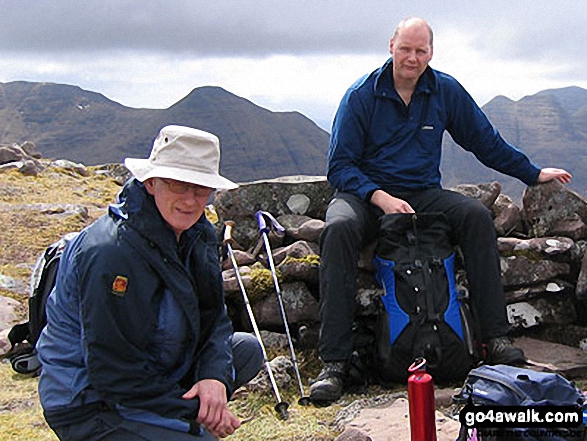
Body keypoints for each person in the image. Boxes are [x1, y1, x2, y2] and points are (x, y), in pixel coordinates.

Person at [309, 17, 573, 403]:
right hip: (365, 196)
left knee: (476, 217)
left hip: (421, 194)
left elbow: (484, 141)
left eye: (420, 50)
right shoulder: (361, 95)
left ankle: (496, 339)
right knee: (339, 230)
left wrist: (532, 173)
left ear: (430, 53)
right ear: (391, 46)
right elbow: (340, 167)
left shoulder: (444, 91)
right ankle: (333, 362)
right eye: (406, 49)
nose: (412, 58)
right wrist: (379, 197)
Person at [37, 125, 264, 440]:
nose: (190, 200)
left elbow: (215, 320)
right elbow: (112, 372)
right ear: (150, 182)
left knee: (247, 350)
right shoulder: (111, 252)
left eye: (200, 188)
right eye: (177, 184)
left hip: (156, 370)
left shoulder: (197, 234)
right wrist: (197, 414)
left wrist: (214, 378)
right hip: (92, 402)